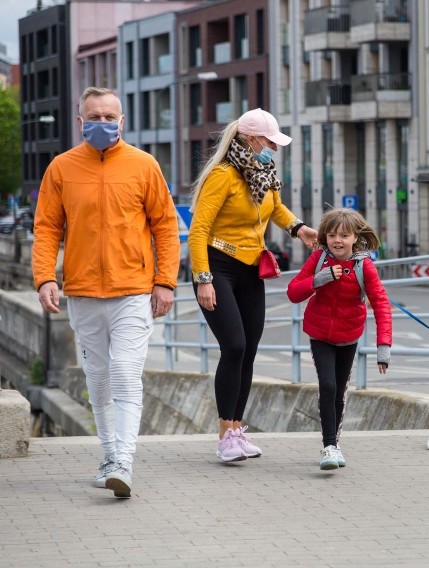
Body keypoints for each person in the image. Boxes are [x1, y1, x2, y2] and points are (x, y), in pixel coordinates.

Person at [32, 87, 180, 498]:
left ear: (122, 121)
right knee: (97, 379)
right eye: (93, 116)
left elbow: (166, 228)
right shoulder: (61, 169)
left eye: (109, 116)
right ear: (80, 122)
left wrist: (165, 282)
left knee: (124, 373)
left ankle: (124, 462)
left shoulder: (144, 165)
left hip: (133, 290)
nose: (102, 123)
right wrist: (45, 277)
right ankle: (109, 456)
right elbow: (46, 228)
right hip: (81, 292)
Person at [188, 108, 318, 462]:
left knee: (249, 349)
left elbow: (275, 208)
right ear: (249, 139)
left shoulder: (263, 172)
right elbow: (198, 230)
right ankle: (223, 435)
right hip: (217, 267)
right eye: (269, 142)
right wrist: (203, 280)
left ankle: (237, 429)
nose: (273, 149)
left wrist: (299, 228)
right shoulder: (223, 175)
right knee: (233, 346)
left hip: (249, 269)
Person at [287, 207, 392, 471]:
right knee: (328, 385)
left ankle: (335, 443)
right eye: (332, 235)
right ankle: (329, 446)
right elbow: (293, 292)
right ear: (325, 237)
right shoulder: (319, 259)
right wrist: (318, 279)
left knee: (339, 391)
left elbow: (381, 303)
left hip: (348, 336)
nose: (337, 240)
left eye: (344, 235)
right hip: (320, 333)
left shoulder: (363, 266)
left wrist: (383, 347)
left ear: (355, 237)